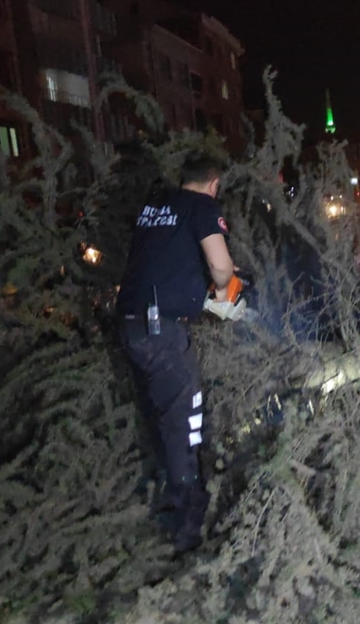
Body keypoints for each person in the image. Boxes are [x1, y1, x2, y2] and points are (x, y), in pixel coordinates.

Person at [116, 151, 242, 553]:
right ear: (213, 184)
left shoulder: (155, 206)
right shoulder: (202, 206)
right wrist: (224, 294)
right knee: (186, 420)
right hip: (161, 329)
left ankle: (170, 503)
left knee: (160, 417)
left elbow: (161, 264)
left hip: (131, 324)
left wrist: (196, 299)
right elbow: (221, 266)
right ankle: (189, 527)